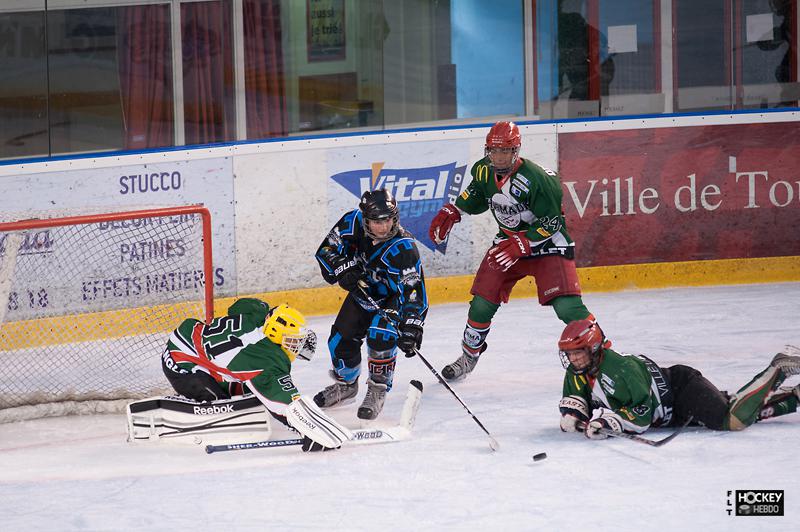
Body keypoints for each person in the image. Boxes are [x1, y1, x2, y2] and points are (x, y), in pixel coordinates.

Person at [428, 120, 603, 381]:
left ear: (516, 150)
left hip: (548, 245)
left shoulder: (539, 180)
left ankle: (604, 355)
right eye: (494, 151)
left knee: (568, 308)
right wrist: (456, 210)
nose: (498, 157)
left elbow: (553, 222)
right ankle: (468, 357)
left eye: (505, 151)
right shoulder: (483, 171)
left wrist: (524, 242)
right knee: (480, 305)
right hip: (508, 244)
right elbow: (477, 194)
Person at [556, 319, 800, 439]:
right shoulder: (578, 372)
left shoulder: (621, 370)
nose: (573, 359)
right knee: (741, 407)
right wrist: (575, 416)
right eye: (570, 354)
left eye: (578, 352)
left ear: (595, 347)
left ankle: (778, 369)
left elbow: (641, 415)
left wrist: (610, 424)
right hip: (673, 410)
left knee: (732, 419)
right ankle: (795, 398)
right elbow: (579, 399)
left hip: (683, 390)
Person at [161, 297, 350, 452]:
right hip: (182, 366)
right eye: (291, 341)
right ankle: (195, 401)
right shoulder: (264, 360)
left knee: (249, 386)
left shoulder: (258, 313)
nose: (295, 347)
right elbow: (283, 403)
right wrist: (310, 431)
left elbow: (237, 306)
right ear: (275, 333)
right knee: (224, 397)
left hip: (188, 335)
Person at [314, 189, 428, 420]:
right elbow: (326, 250)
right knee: (339, 342)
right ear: (366, 219)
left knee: (382, 334)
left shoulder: (403, 248)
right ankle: (347, 386)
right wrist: (342, 268)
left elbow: (413, 291)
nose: (384, 227)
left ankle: (377, 389)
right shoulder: (352, 222)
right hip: (365, 291)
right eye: (377, 222)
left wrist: (412, 326)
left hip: (393, 297)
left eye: (387, 220)